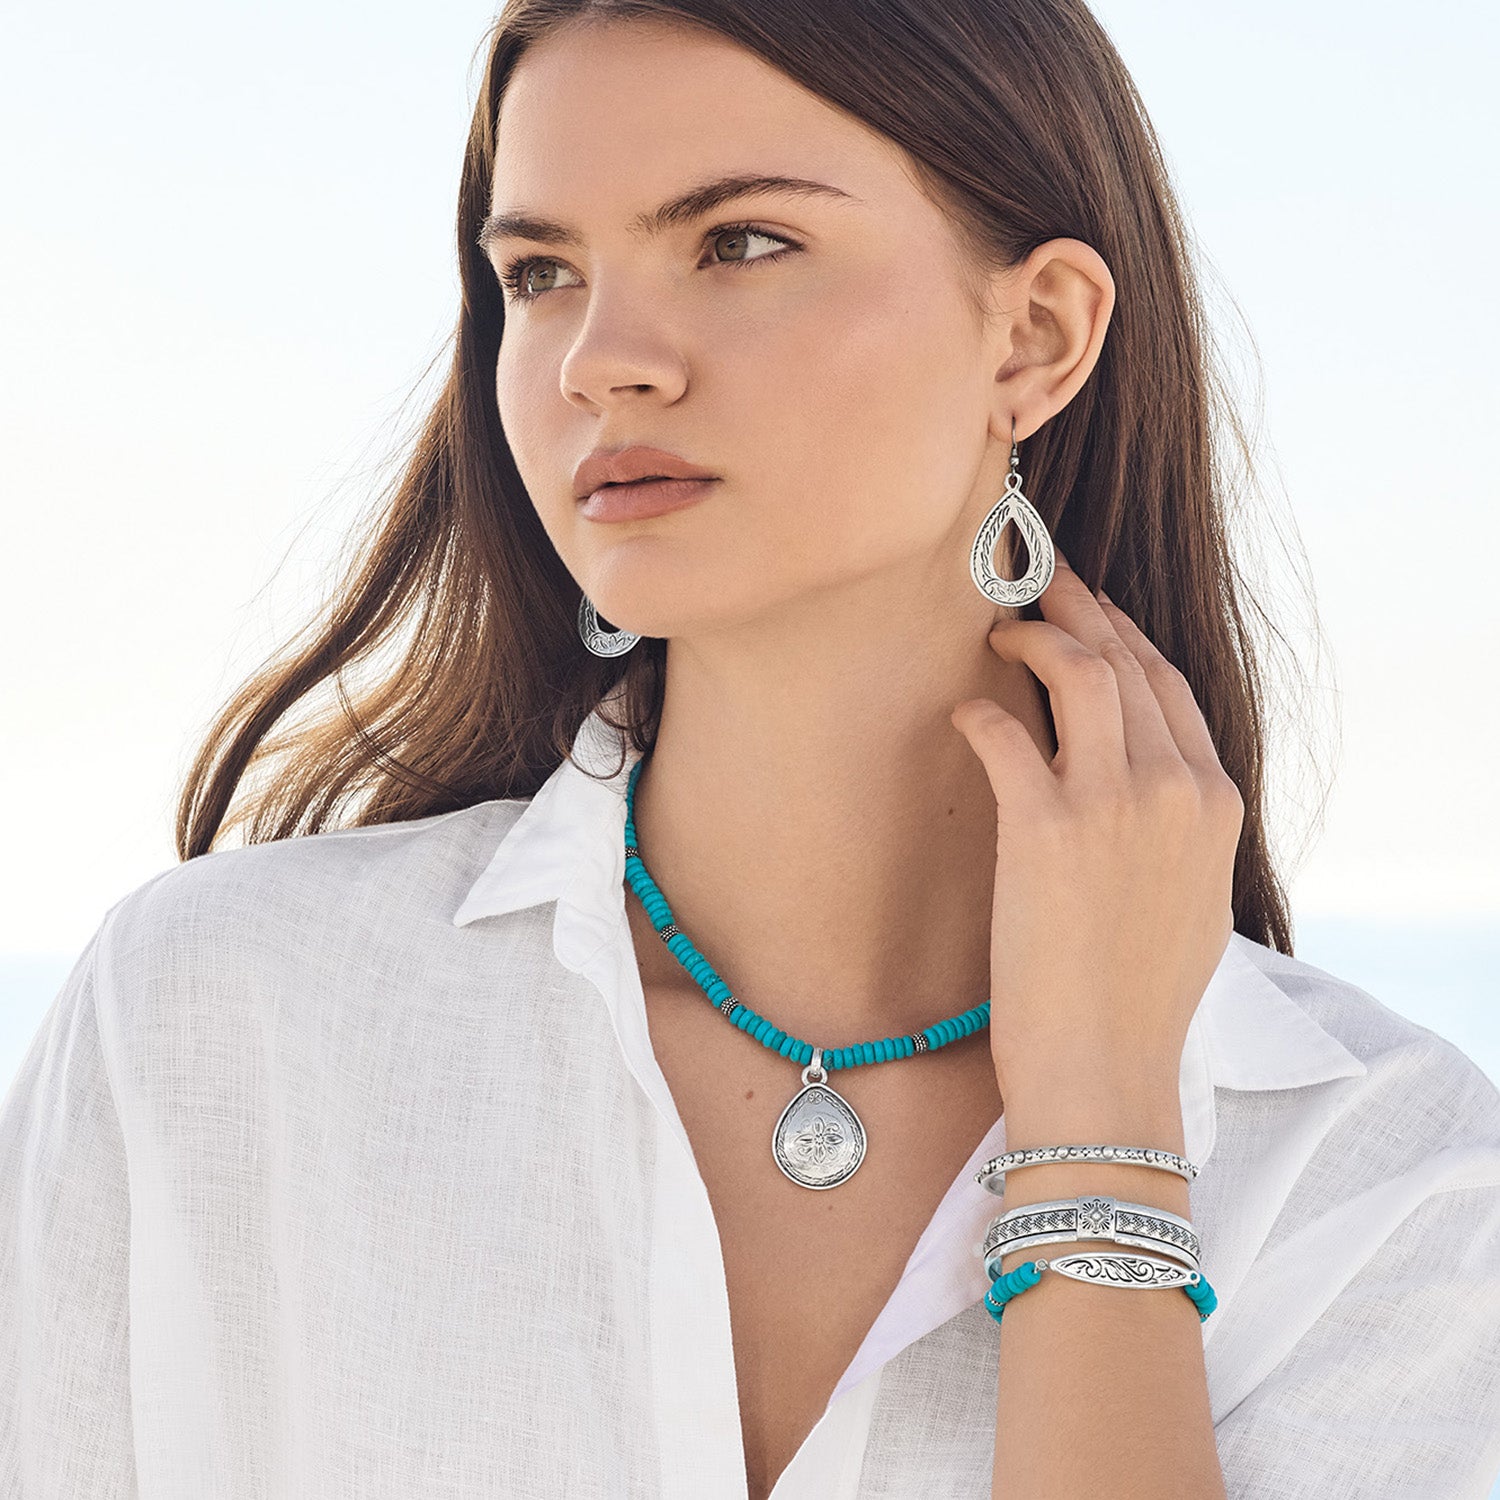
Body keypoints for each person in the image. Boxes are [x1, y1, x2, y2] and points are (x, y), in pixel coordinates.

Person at [4, 1, 1498, 1496]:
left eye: (740, 243)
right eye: (540, 274)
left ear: (1035, 335)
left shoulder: (1390, 1182)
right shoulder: (217, 1022)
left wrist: (1102, 1139)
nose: (601, 361)